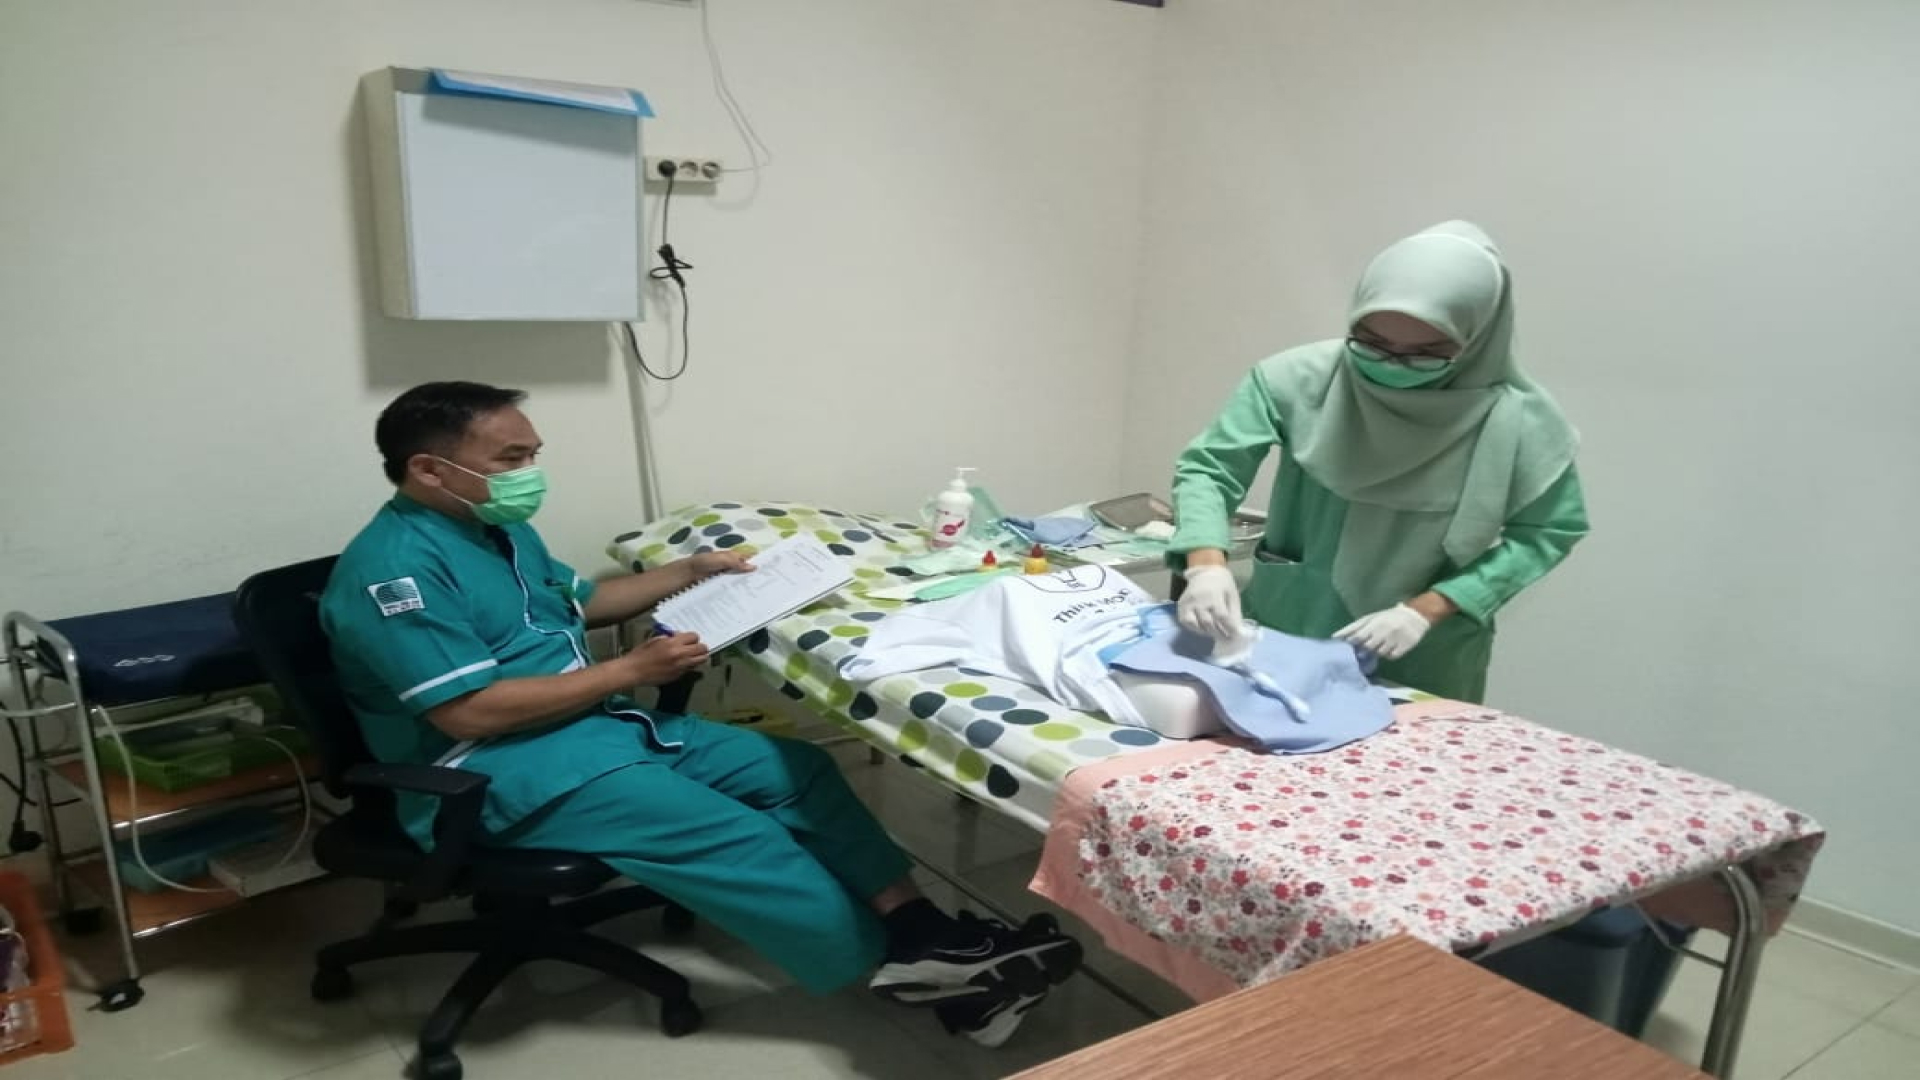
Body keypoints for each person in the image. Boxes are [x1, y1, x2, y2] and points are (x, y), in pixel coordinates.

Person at [319, 381, 1080, 1047]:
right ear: (429, 469)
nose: (530, 474)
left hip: (587, 727)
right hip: (491, 766)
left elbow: (581, 603)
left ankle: (921, 929)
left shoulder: (495, 527)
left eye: (533, 455)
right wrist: (631, 670)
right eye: (511, 459)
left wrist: (690, 571)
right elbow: (467, 713)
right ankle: (912, 969)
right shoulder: (394, 573)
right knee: (736, 835)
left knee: (798, 769)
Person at [1169, 221, 1587, 703]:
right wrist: (1205, 564)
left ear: (1476, 340)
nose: (1390, 364)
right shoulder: (1296, 380)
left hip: (1427, 651)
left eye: (1425, 354)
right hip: (1292, 619)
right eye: (1370, 342)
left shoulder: (1522, 422)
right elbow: (1209, 469)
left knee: (1407, 750)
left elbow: (1548, 532)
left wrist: (1429, 608)